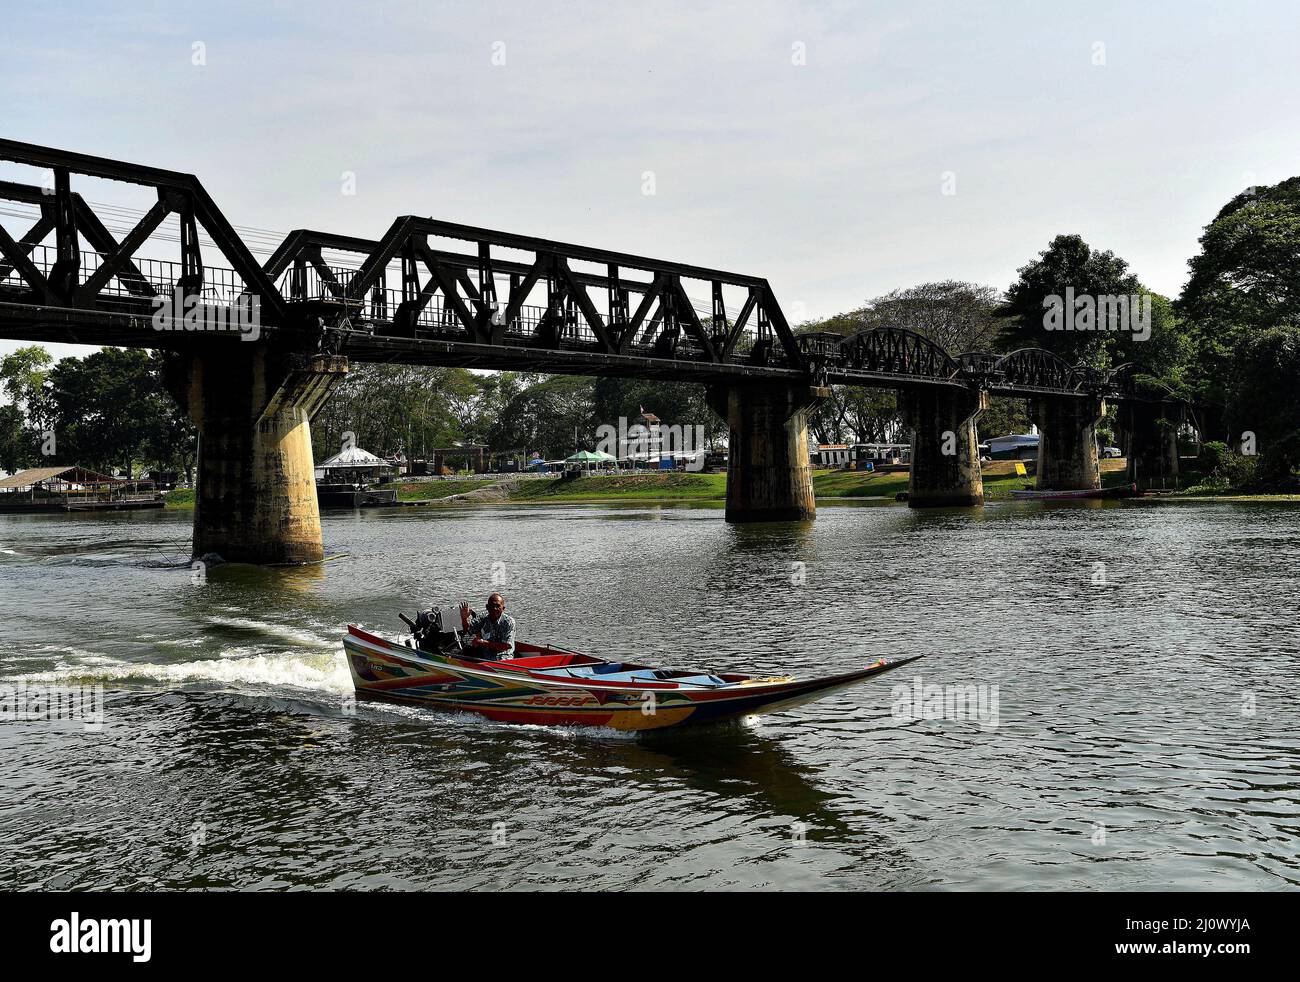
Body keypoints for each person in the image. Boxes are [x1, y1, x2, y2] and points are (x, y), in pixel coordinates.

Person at [459, 593, 516, 659]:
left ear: (503, 608)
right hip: (485, 657)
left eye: (497, 606)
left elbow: (507, 646)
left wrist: (482, 642)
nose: (494, 608)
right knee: (467, 644)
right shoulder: (483, 617)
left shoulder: (509, 622)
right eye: (491, 606)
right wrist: (464, 619)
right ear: (487, 607)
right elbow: (468, 631)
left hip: (504, 659)